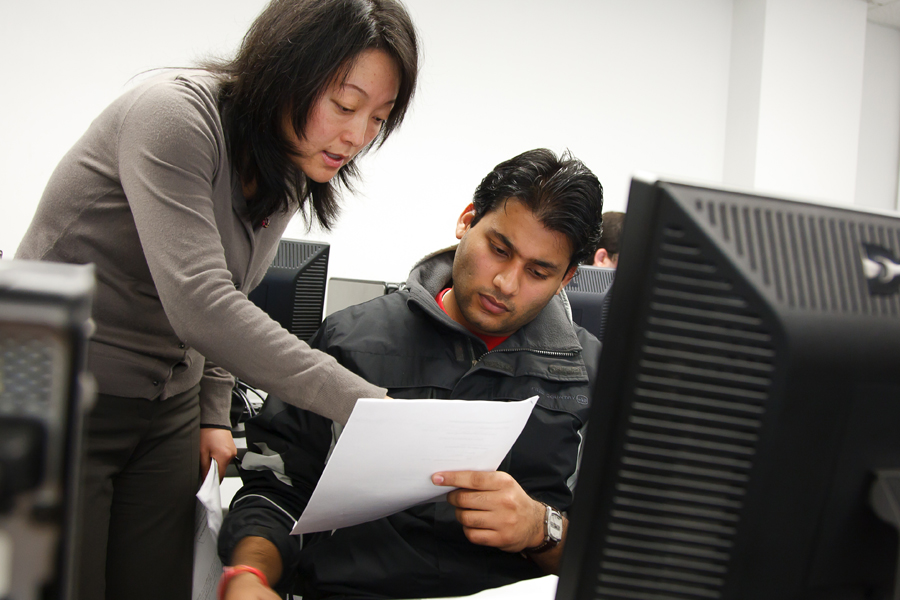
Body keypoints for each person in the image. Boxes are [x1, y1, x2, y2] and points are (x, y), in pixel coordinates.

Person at [14, 1, 418, 598]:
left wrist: (211, 408)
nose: (357, 137)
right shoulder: (172, 115)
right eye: (344, 104)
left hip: (163, 398)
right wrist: (373, 406)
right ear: (286, 72)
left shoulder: (290, 162)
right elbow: (200, 301)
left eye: (378, 118)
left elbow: (234, 291)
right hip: (54, 386)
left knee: (159, 583)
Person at [217, 148, 605, 600]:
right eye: (499, 250)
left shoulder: (591, 377)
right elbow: (279, 487)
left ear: (567, 278)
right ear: (467, 221)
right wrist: (249, 576)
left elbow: (621, 552)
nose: (506, 283)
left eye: (538, 272)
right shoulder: (352, 340)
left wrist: (543, 529)